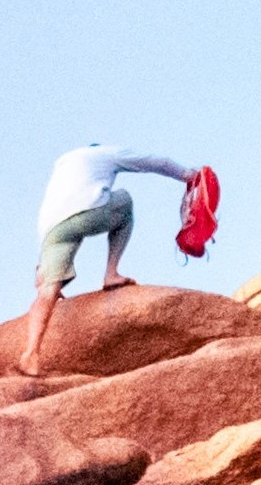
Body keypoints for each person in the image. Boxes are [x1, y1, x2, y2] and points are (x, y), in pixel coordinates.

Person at [18, 141, 201, 373]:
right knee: (125, 201)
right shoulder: (105, 153)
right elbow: (155, 162)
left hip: (51, 228)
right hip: (87, 212)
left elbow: (60, 203)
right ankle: (111, 272)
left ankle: (31, 353)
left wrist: (43, 264)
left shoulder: (65, 162)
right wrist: (188, 176)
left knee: (47, 293)